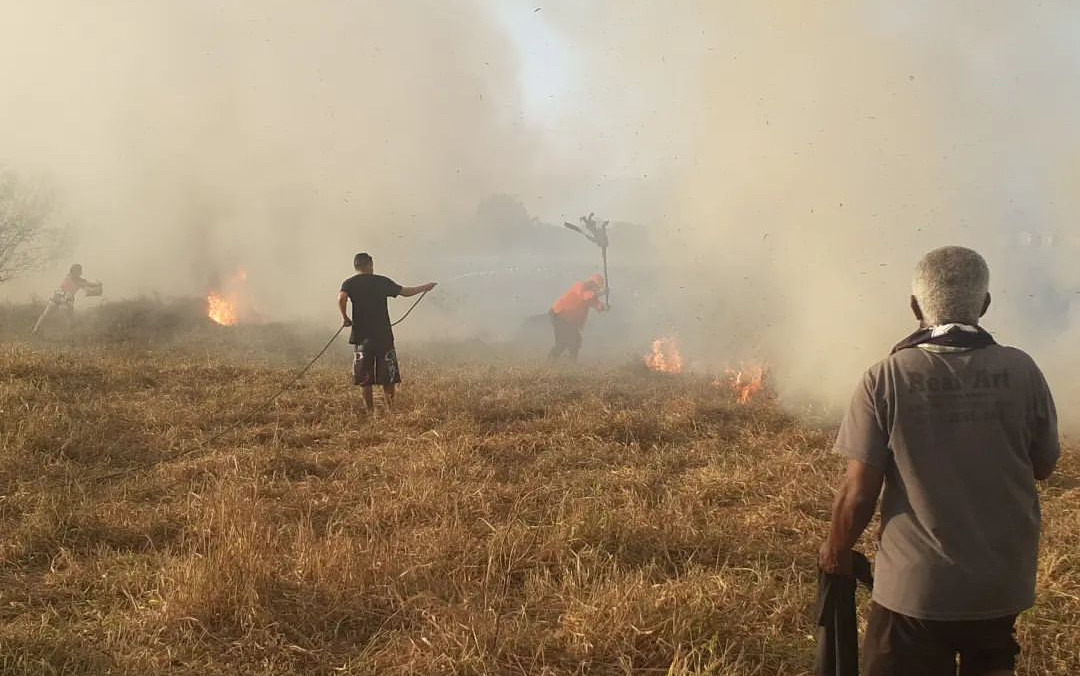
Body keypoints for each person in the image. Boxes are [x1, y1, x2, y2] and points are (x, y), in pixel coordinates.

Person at [819, 246, 1060, 676]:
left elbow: (858, 494)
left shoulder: (885, 378)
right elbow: (1043, 466)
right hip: (1000, 586)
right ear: (984, 304)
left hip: (916, 592)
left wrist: (836, 551)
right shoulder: (1024, 371)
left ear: (915, 306)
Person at [337, 252, 436, 413]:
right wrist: (425, 287)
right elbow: (405, 292)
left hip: (362, 338)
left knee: (365, 378)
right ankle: (391, 410)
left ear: (356, 266)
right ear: (370, 264)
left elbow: (341, 299)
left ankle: (370, 411)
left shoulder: (349, 283)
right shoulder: (381, 281)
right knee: (388, 376)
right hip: (383, 336)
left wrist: (345, 318)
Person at [549, 273, 607, 360]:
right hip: (559, 314)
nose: (596, 289)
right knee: (565, 341)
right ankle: (551, 361)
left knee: (575, 340)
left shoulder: (592, 294)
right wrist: (600, 293)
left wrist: (605, 307)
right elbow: (583, 296)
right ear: (591, 283)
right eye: (595, 286)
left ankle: (571, 363)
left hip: (570, 320)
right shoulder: (580, 285)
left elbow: (596, 304)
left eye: (597, 287)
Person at [31, 264, 102, 335]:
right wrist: (98, 284)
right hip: (61, 298)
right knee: (64, 316)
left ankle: (36, 329)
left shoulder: (71, 277)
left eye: (78, 271)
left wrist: (97, 285)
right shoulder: (78, 280)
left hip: (58, 297)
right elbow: (89, 286)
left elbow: (88, 286)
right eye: (77, 271)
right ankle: (36, 329)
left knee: (65, 316)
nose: (78, 273)